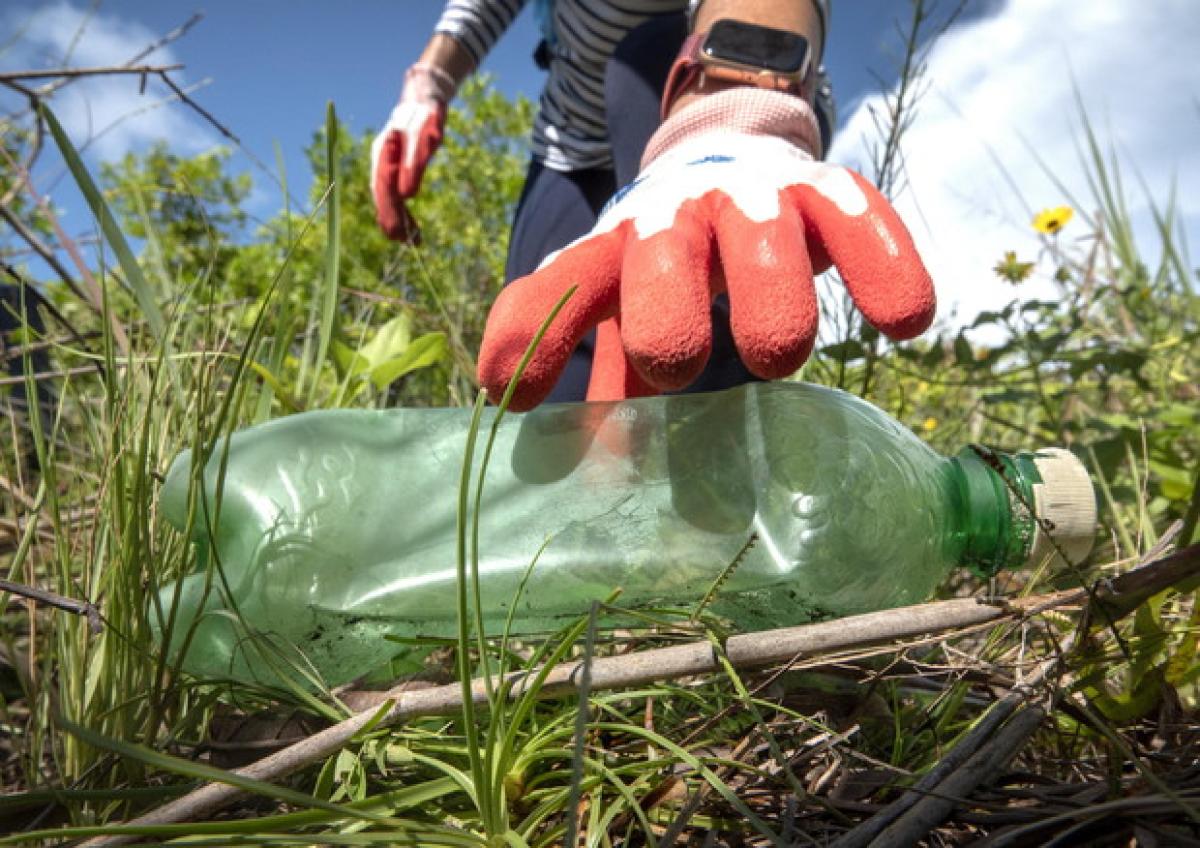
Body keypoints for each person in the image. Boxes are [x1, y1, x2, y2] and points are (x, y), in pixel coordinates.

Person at [370, 0, 935, 411]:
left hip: (732, 88)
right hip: (571, 145)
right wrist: (429, 83)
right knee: (541, 376)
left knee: (691, 357)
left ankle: (719, 550)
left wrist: (728, 115)